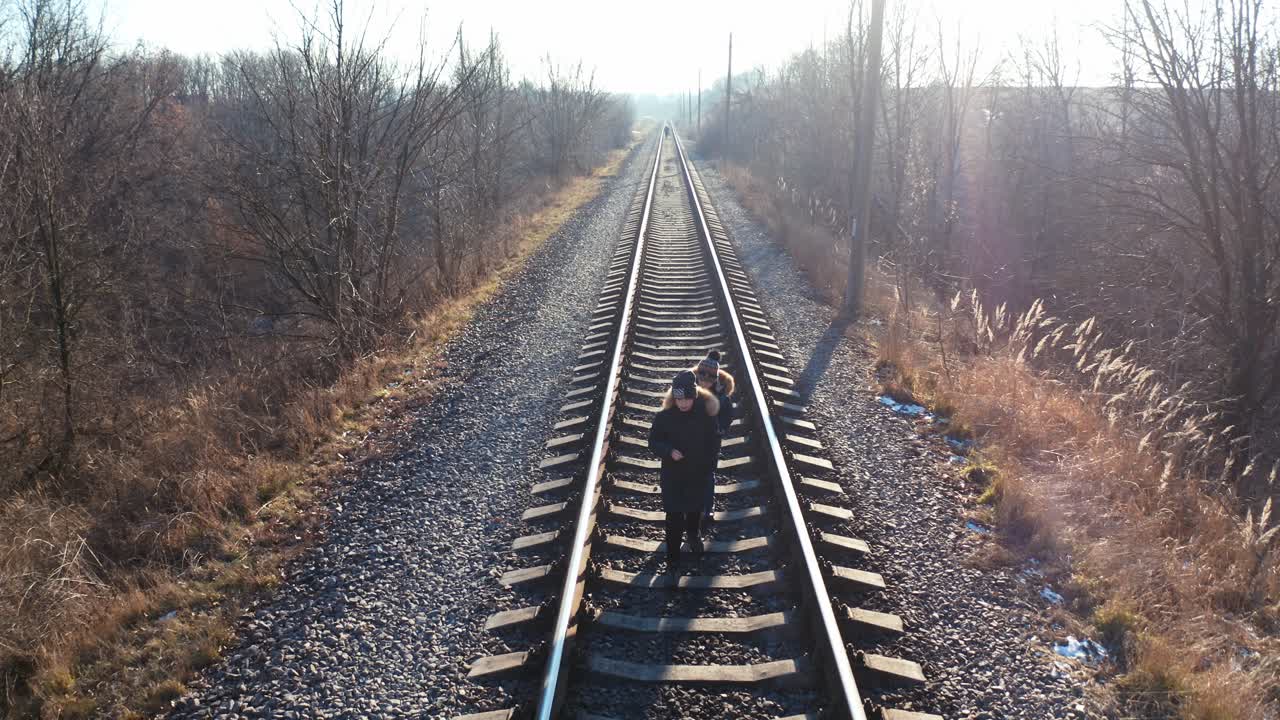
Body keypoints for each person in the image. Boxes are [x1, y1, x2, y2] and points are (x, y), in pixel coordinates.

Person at [647, 370, 720, 568]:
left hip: (698, 472)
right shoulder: (665, 417)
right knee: (674, 515)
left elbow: (714, 442)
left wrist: (710, 466)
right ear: (674, 397)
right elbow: (653, 442)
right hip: (673, 475)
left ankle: (694, 535)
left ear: (694, 395)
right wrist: (668, 451)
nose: (683, 403)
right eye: (679, 399)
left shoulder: (705, 415)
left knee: (695, 508)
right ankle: (672, 560)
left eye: (687, 398)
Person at [693, 350, 735, 524]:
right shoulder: (690, 388)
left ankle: (707, 509)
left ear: (714, 379)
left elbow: (728, 415)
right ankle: (691, 508)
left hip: (711, 442)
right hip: (689, 440)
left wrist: (721, 429)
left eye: (708, 379)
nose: (704, 381)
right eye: (701, 377)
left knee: (708, 474)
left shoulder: (721, 397)